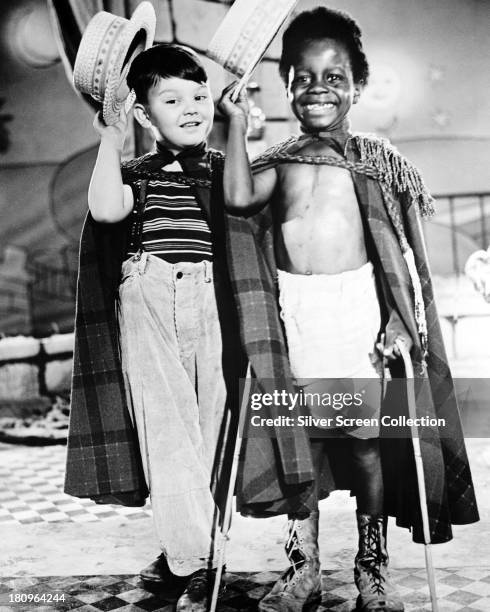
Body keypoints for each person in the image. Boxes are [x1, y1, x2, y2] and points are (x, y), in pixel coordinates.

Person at [219, 7, 479, 612]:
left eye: (334, 77)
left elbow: (404, 260)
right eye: (303, 76)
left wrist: (400, 321)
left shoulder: (377, 161)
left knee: (365, 443)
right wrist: (234, 123)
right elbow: (235, 198)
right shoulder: (277, 160)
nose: (318, 89)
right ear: (285, 83)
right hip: (296, 321)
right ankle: (303, 564)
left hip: (358, 318)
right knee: (301, 440)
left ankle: (371, 565)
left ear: (357, 86)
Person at [64, 43, 243, 612]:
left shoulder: (223, 171)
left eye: (199, 95)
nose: (191, 107)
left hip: (214, 300)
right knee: (167, 433)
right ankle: (194, 560)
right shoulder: (135, 173)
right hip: (149, 292)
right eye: (172, 98)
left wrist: (239, 128)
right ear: (144, 114)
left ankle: (190, 553)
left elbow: (247, 219)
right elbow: (106, 212)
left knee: (214, 430)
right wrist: (109, 139)